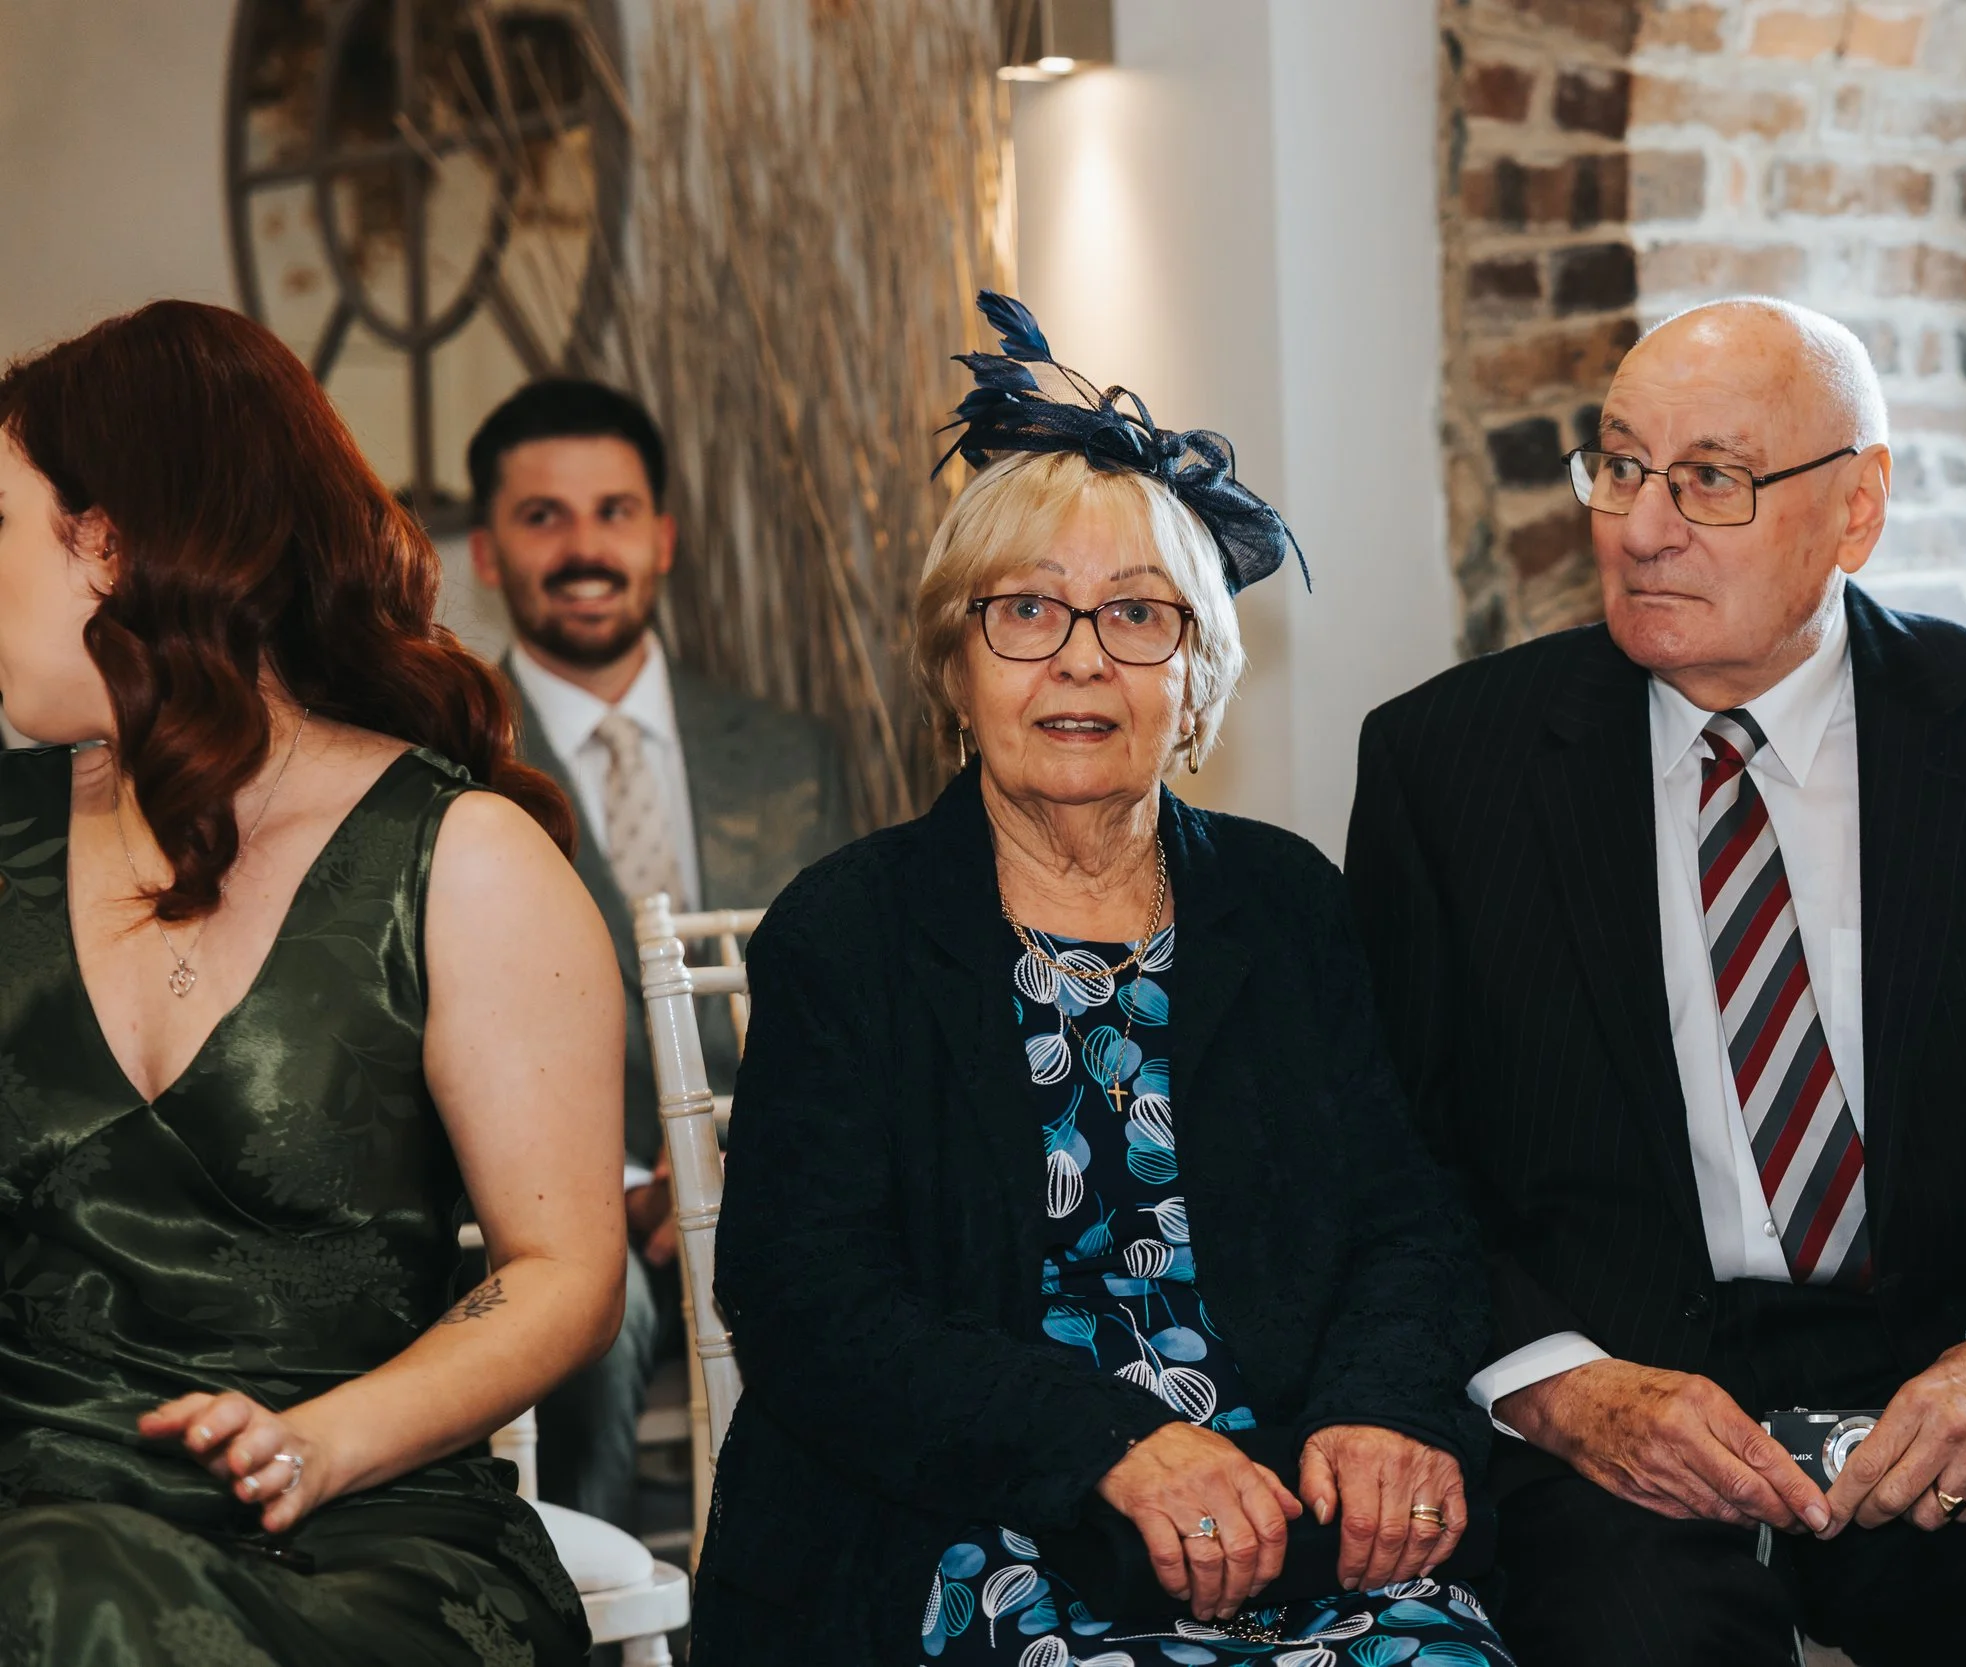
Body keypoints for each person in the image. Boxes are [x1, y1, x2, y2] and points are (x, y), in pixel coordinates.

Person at [1344, 297, 1966, 1666]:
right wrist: (1560, 1386)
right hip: (1619, 1415)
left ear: (1857, 506)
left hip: (1939, 1390)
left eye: (1711, 479)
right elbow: (1394, 1165)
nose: (1640, 526)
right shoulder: (1446, 767)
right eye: (1621, 465)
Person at [691, 295, 1512, 1664]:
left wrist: (1383, 1408)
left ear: (1197, 675)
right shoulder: (849, 932)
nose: (1082, 655)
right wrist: (1116, 1446)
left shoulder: (1290, 901)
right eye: (1026, 611)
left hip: (1287, 1508)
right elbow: (807, 1302)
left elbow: (1411, 1215)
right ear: (957, 662)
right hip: (965, 1522)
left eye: (1139, 614)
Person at [0, 300, 625, 1663]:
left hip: (358, 1524)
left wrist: (324, 1440)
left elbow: (567, 1271)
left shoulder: (463, 858)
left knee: (57, 1595)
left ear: (105, 543)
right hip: (29, 1482)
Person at [466, 377, 853, 1527]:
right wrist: (637, 1183)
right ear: (486, 552)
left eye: (614, 511)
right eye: (544, 517)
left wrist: (754, 1164)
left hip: (793, 1184)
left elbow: (844, 996)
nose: (585, 547)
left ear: (663, 537)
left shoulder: (793, 751)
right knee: (596, 1304)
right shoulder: (443, 755)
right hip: (558, 1198)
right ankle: (575, 1607)